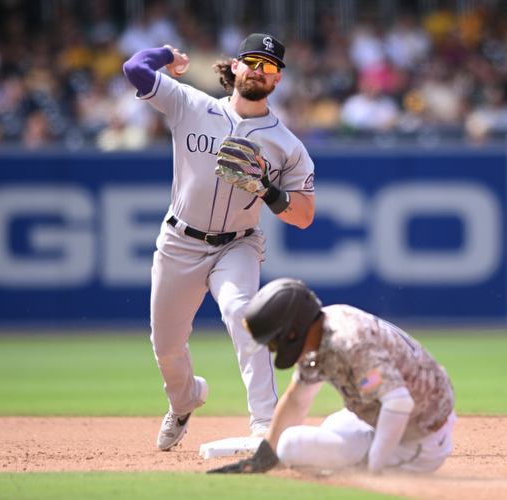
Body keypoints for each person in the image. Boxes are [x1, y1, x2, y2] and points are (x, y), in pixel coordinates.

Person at [122, 34, 316, 451]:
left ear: (278, 80)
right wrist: (167, 56)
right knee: (166, 346)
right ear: (234, 66)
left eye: (269, 67)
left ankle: (267, 426)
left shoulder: (287, 145)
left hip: (237, 245)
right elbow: (135, 69)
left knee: (244, 315)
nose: (259, 71)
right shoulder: (192, 104)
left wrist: (267, 188)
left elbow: (303, 216)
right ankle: (185, 398)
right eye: (252, 62)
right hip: (179, 242)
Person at [208, 278, 456, 475]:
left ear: (294, 330)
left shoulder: (348, 342)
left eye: (274, 339)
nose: (273, 348)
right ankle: (367, 456)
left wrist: (371, 468)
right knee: (329, 428)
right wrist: (263, 458)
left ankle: (384, 460)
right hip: (399, 414)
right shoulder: (322, 329)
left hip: (420, 437)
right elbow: (297, 400)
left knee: (292, 446)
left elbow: (400, 403)